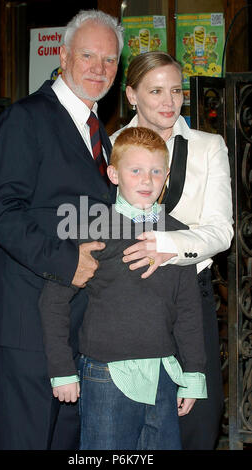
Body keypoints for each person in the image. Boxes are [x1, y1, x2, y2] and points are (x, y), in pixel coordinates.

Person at [0, 9, 124, 450]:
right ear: (62, 56)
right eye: (88, 55)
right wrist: (66, 260)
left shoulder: (101, 134)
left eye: (109, 60)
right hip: (26, 323)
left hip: (79, 327)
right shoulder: (27, 118)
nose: (99, 68)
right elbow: (0, 210)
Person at [39, 126, 207, 451]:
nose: (147, 180)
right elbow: (53, 300)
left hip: (164, 374)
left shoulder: (177, 234)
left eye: (156, 171)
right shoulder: (92, 228)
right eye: (136, 170)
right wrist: (61, 370)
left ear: (167, 176)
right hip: (106, 376)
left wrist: (194, 374)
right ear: (114, 174)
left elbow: (188, 310)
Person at [110, 51, 233, 450]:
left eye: (176, 90)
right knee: (127, 424)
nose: (169, 101)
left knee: (198, 417)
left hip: (188, 295)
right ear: (131, 95)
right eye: (156, 90)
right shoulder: (108, 146)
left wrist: (166, 246)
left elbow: (221, 231)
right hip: (123, 297)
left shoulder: (208, 146)